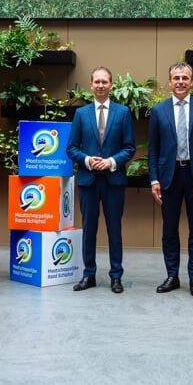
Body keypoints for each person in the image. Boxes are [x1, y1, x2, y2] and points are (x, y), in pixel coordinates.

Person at [148, 62, 193, 297]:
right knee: (169, 229)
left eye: (185, 78)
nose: (180, 82)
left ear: (192, 82)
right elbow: (153, 150)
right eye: (176, 78)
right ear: (170, 82)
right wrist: (154, 179)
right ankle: (172, 276)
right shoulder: (159, 111)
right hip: (169, 176)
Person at [65, 67, 136, 293]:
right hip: (89, 181)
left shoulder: (123, 112)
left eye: (105, 82)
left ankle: (116, 276)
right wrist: (87, 159)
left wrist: (112, 162)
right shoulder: (81, 114)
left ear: (111, 85)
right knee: (89, 229)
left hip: (114, 181)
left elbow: (129, 147)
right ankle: (89, 275)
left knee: (114, 230)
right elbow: (71, 148)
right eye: (97, 82)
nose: (100, 85)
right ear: (91, 85)